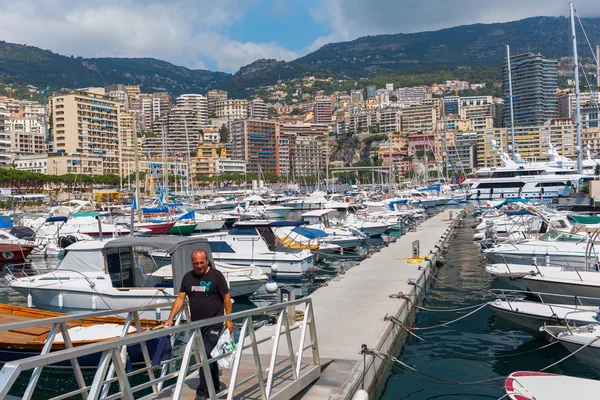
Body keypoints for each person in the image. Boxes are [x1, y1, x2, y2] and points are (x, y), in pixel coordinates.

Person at [165, 249, 233, 400]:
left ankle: (202, 392)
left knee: (206, 355)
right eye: (196, 263)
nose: (199, 266)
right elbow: (180, 299)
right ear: (192, 263)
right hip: (196, 325)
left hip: (215, 323)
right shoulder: (188, 278)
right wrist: (170, 318)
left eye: (202, 262)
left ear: (207, 261)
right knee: (208, 357)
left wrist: (228, 318)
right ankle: (214, 385)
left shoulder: (217, 276)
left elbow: (226, 297)